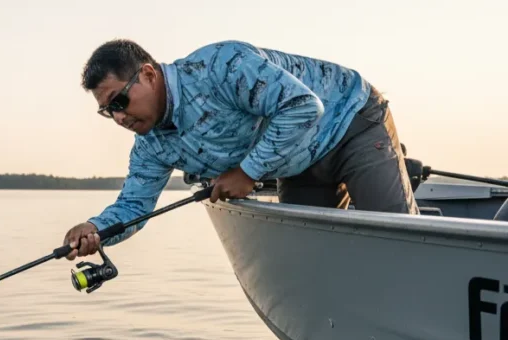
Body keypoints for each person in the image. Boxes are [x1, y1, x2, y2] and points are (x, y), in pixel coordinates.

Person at [64, 39, 419, 259]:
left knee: (400, 243)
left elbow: (304, 107)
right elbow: (134, 206)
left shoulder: (221, 65)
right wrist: (94, 229)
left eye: (120, 101)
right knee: (311, 263)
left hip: (349, 122)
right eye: (107, 110)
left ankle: (388, 164)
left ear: (149, 74)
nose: (119, 117)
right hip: (296, 166)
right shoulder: (150, 145)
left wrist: (247, 172)